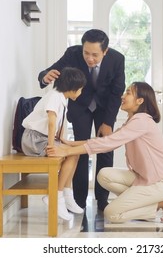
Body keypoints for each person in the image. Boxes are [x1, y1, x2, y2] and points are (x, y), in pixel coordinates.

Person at [47, 82, 163, 223]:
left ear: (140, 101)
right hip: (146, 177)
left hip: (161, 182)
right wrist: (71, 143)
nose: (123, 96)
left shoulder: (141, 121)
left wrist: (67, 151)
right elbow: (108, 140)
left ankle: (159, 204)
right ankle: (148, 200)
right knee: (104, 175)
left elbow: (107, 143)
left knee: (112, 214)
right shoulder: (133, 121)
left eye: (128, 93)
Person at [38, 29, 126, 211]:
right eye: (86, 53)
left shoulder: (117, 60)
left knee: (105, 151)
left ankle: (102, 200)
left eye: (95, 55)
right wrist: (44, 77)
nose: (89, 58)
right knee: (79, 151)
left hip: (104, 109)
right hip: (80, 106)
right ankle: (78, 200)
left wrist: (108, 122)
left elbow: (117, 92)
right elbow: (50, 71)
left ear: (105, 51)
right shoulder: (73, 54)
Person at [21, 67, 87, 221]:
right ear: (72, 88)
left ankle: (66, 193)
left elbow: (59, 124)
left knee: (75, 151)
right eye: (80, 89)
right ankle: (55, 196)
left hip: (43, 137)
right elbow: (51, 122)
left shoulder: (62, 99)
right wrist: (52, 146)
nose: (81, 92)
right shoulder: (54, 96)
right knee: (72, 153)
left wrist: (62, 140)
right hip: (34, 139)